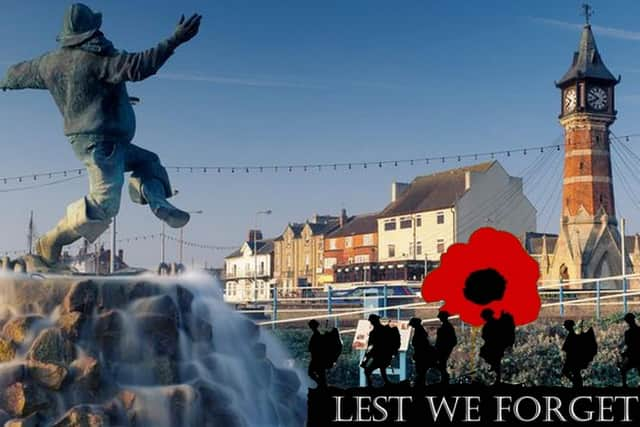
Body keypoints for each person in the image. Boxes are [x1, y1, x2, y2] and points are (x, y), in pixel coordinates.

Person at [0, 4, 202, 267]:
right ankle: (51, 241)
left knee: (149, 161)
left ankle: (156, 199)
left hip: (102, 141)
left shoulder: (48, 64)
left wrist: (3, 82)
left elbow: (18, 73)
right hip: (102, 143)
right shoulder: (99, 59)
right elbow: (139, 66)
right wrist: (175, 39)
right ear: (90, 32)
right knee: (105, 204)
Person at [361, 314, 399, 387]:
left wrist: (365, 359)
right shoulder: (385, 329)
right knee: (382, 369)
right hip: (385, 356)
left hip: (378, 356)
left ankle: (370, 385)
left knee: (367, 370)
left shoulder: (374, 332)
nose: (371, 322)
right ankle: (386, 383)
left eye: (371, 321)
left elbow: (370, 347)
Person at [479, 309, 515, 385]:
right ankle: (495, 378)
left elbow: (487, 336)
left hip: (494, 347)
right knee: (495, 363)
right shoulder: (493, 323)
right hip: (494, 347)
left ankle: (495, 379)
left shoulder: (491, 324)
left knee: (494, 363)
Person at [561, 319, 597, 388]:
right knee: (575, 373)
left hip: (572, 358)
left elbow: (568, 348)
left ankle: (576, 384)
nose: (565, 328)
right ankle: (577, 384)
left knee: (570, 372)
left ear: (568, 326)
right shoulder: (574, 334)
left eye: (566, 326)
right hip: (574, 358)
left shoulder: (572, 335)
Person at [409, 317, 437, 388]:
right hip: (421, 355)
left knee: (421, 372)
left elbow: (420, 344)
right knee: (420, 372)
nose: (411, 326)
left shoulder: (419, 331)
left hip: (422, 356)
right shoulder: (420, 330)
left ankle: (420, 385)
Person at [435, 311, 457, 384]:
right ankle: (444, 378)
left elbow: (452, 340)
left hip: (444, 349)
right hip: (443, 348)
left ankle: (445, 378)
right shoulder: (446, 326)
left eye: (441, 317)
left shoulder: (447, 327)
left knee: (442, 363)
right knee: (441, 364)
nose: (440, 319)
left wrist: (447, 347)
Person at [620, 313, 640, 387]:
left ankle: (624, 385)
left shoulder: (628, 333)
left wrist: (624, 353)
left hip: (632, 356)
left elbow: (629, 345)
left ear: (627, 322)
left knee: (623, 369)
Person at [307, 320, 327, 388]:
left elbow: (313, 347)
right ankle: (321, 384)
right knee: (319, 373)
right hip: (317, 358)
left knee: (312, 372)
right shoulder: (317, 334)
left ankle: (321, 384)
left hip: (316, 358)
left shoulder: (316, 335)